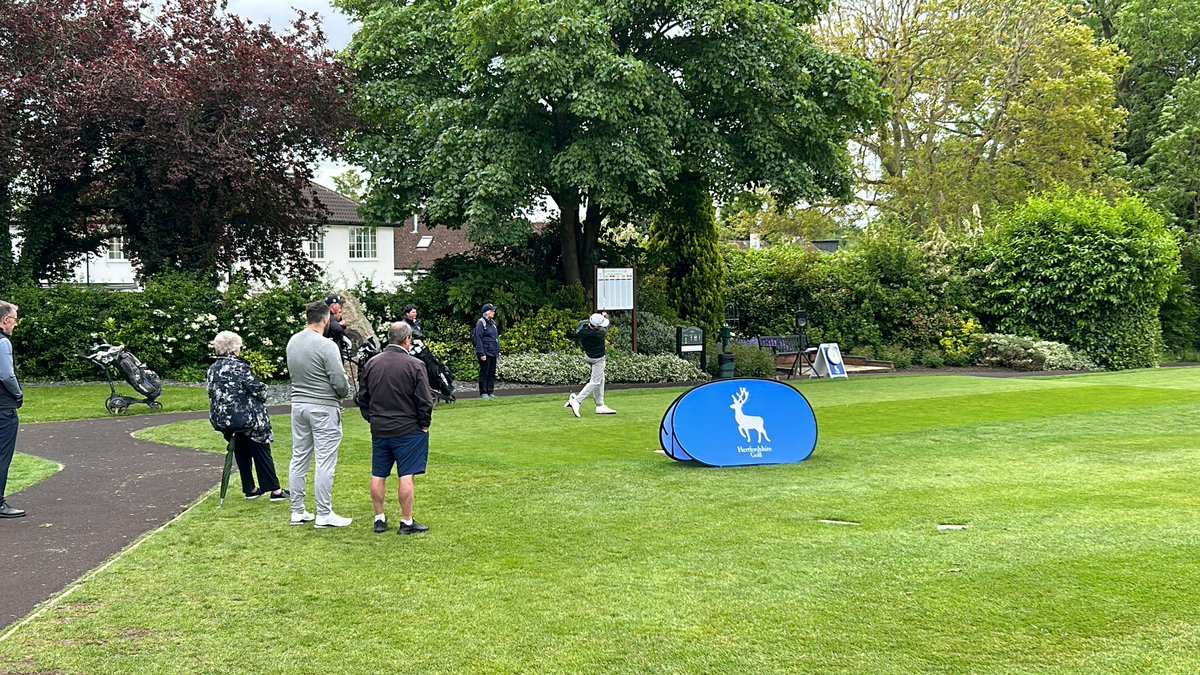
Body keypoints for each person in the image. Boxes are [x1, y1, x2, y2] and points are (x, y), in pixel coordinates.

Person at [357, 321, 433, 536]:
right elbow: (424, 401)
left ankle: (379, 518)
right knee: (406, 475)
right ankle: (406, 521)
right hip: (408, 429)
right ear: (407, 339)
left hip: (381, 428)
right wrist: (424, 424)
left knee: (378, 473)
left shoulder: (372, 363)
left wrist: (371, 419)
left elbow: (363, 397)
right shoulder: (415, 365)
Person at [286, 300, 352, 528]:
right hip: (323, 406)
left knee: (299, 457)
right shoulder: (327, 346)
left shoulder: (293, 341)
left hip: (298, 405)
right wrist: (344, 392)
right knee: (324, 460)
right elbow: (339, 380)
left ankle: (297, 510)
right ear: (326, 319)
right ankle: (324, 513)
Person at [207, 331, 289, 502]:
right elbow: (258, 390)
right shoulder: (239, 367)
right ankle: (275, 490)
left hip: (226, 419)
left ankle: (250, 488)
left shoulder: (213, 369)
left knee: (241, 450)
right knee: (261, 449)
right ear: (234, 349)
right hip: (249, 417)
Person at [565, 312, 617, 417]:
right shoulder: (599, 333)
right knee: (595, 381)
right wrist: (605, 316)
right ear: (596, 327)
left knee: (601, 378)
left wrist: (598, 318)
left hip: (588, 356)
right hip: (598, 359)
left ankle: (600, 405)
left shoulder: (582, 327)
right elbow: (605, 328)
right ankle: (577, 401)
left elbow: (585, 322)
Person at [0, 301, 25, 519]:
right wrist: (18, 394)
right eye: (15, 319)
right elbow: (7, 375)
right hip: (3, 408)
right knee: (2, 456)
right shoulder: (3, 343)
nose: (15, 324)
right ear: (6, 320)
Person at [472, 303, 500, 399]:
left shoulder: (493, 323)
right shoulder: (480, 323)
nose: (494, 312)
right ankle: (483, 392)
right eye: (492, 311)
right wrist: (481, 353)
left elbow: (495, 338)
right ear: (487, 313)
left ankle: (490, 391)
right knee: (485, 373)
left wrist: (498, 351)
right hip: (485, 352)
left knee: (492, 373)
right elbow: (478, 339)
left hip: (493, 352)